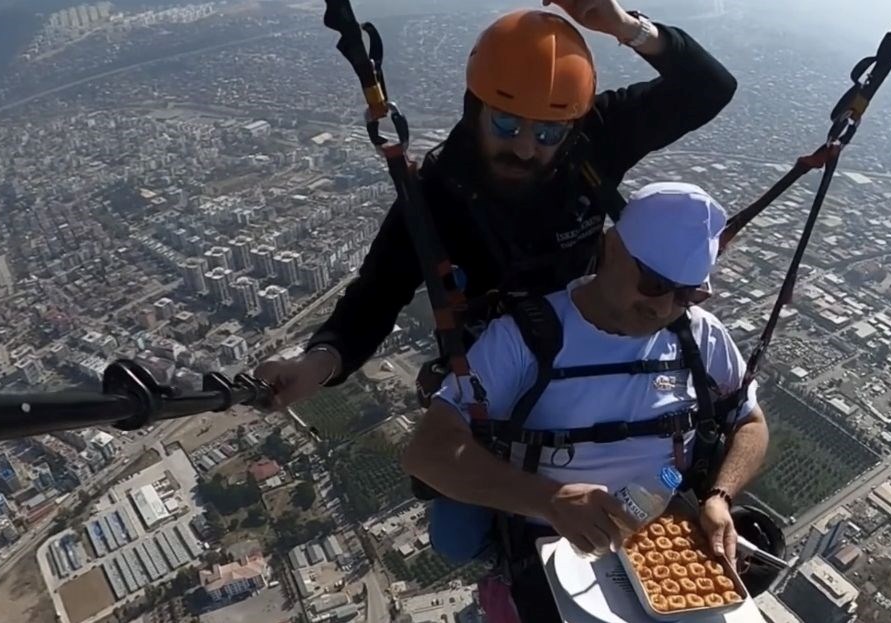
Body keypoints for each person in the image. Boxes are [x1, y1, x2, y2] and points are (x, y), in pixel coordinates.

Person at [256, 0, 737, 406]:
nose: (526, 148)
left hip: (599, 329)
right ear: (475, 109)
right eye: (506, 125)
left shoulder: (595, 139)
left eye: (548, 132)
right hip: (500, 366)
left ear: (572, 125)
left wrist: (625, 28)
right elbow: (379, 292)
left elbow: (709, 89)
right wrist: (320, 360)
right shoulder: (439, 193)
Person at [401, 182, 770, 622]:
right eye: (654, 283)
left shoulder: (700, 336)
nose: (665, 307)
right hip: (551, 540)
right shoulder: (527, 338)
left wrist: (719, 496)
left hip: (666, 532)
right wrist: (549, 500)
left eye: (688, 295)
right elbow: (428, 452)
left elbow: (750, 422)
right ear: (610, 248)